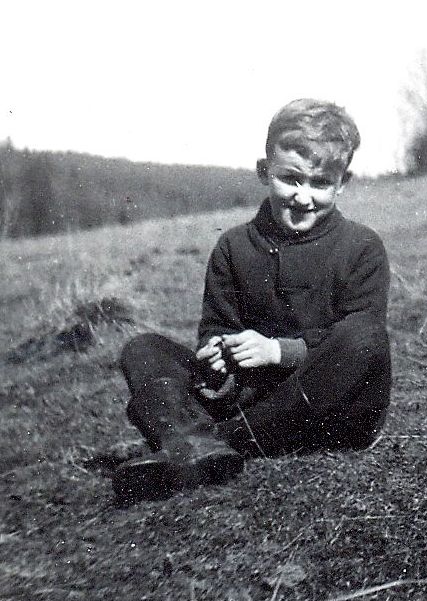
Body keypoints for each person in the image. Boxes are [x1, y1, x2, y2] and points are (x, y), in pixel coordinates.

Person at [113, 99, 392, 503]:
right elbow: (217, 326)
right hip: (249, 400)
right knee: (143, 349)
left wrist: (278, 351)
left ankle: (208, 441)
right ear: (264, 171)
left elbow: (357, 340)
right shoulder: (233, 246)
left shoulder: (362, 247)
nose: (303, 197)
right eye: (290, 179)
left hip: (327, 410)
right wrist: (216, 358)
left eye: (320, 183)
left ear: (342, 183)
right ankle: (189, 441)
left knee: (366, 336)